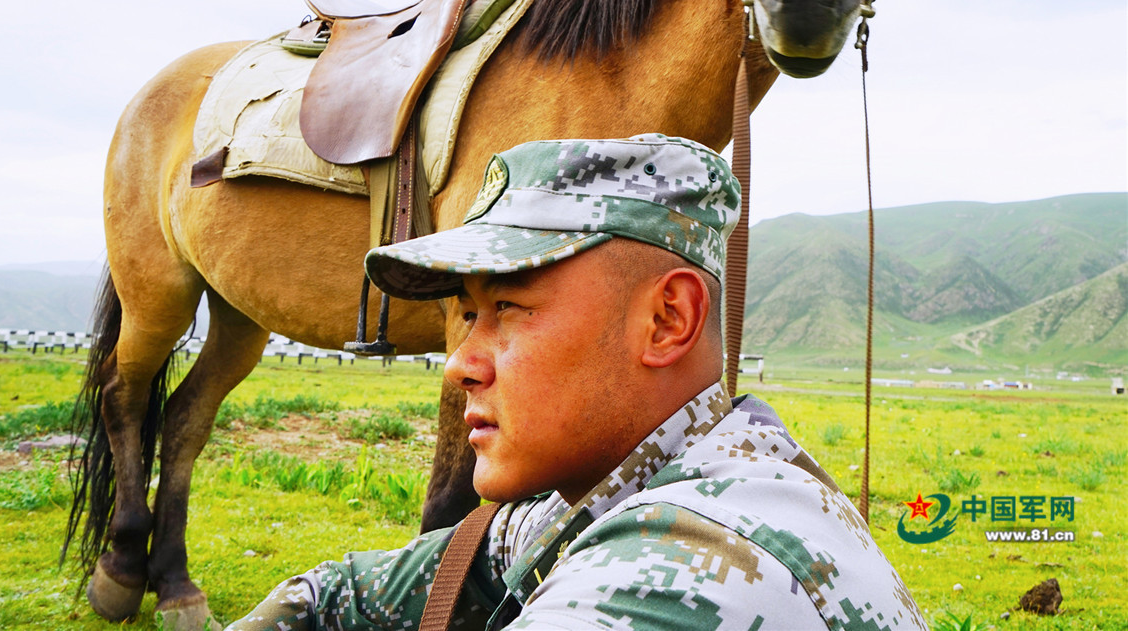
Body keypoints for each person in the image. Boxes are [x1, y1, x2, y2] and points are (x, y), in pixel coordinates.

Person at [227, 134, 926, 630]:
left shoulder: (688, 570)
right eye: (468, 312)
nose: (460, 362)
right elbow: (337, 593)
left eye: (507, 307)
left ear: (666, 319)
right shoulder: (606, 491)